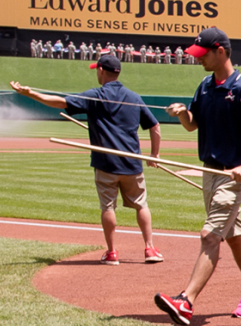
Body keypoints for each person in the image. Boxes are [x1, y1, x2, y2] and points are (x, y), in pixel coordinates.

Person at [153, 27, 241, 326]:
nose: (199, 60)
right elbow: (193, 125)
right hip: (209, 173)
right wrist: (183, 113)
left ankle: (186, 301)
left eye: (203, 54)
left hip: (232, 177)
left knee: (210, 235)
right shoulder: (204, 87)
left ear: (220, 51)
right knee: (235, 240)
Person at [11, 54, 164, 265]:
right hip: (131, 164)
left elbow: (60, 102)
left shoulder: (96, 95)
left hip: (106, 164)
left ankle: (112, 253)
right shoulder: (134, 97)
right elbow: (155, 127)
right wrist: (154, 155)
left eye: (96, 70)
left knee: (108, 207)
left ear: (101, 70)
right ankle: (149, 249)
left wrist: (31, 94)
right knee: (141, 205)